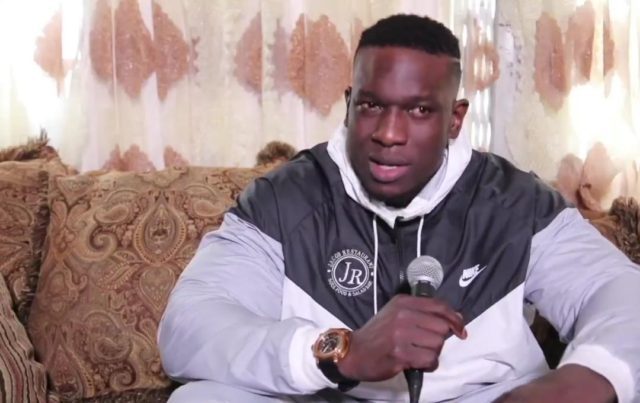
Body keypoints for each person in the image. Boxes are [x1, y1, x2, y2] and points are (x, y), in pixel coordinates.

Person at [158, 14, 640, 403]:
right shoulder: (285, 199)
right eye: (371, 106)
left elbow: (615, 289)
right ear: (349, 104)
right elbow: (190, 325)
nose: (389, 133)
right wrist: (339, 352)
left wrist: (589, 377)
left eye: (419, 110)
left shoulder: (514, 201)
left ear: (455, 119)